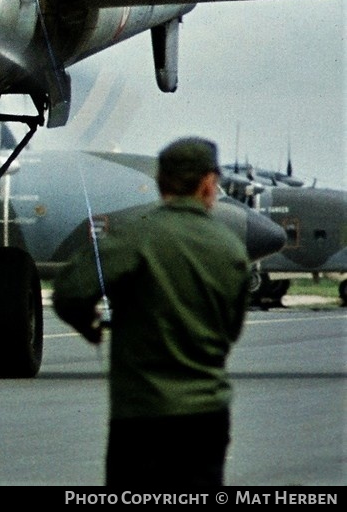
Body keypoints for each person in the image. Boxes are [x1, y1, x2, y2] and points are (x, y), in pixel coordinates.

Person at [52, 136, 251, 487]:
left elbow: (69, 292)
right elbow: (231, 330)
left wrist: (90, 325)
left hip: (140, 416)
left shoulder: (136, 235)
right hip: (206, 416)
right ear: (209, 183)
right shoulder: (231, 249)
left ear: (161, 181)